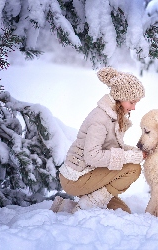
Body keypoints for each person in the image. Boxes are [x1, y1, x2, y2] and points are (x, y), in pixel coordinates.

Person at [50, 67, 146, 214]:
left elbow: (108, 148)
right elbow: (92, 156)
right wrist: (128, 157)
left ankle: (66, 207)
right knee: (133, 168)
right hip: (76, 177)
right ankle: (86, 205)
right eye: (132, 102)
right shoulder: (100, 119)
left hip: (90, 172)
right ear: (120, 97)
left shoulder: (114, 115)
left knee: (122, 211)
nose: (133, 108)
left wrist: (132, 151)